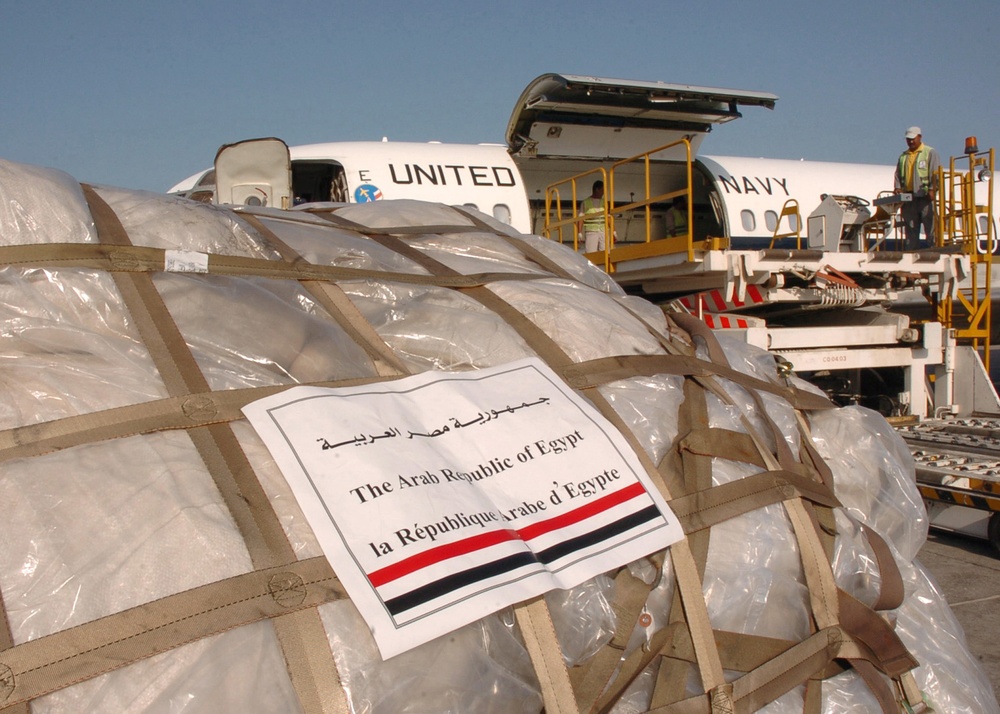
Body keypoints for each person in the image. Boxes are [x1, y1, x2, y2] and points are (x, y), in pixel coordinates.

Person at [894, 126, 941, 250]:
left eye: (912, 139)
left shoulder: (929, 152)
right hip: (909, 198)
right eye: (908, 139)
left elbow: (935, 172)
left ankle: (934, 250)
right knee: (910, 228)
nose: (910, 141)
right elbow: (898, 175)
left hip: (924, 196)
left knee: (929, 225)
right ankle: (911, 256)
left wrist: (932, 189)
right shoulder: (903, 156)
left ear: (919, 137)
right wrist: (898, 188)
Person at [577, 180, 606, 253]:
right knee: (591, 253)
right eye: (602, 190)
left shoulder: (604, 202)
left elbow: (608, 217)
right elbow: (581, 218)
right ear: (597, 189)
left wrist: (613, 231)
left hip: (603, 231)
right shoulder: (585, 203)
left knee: (605, 253)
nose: (603, 193)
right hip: (591, 231)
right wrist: (579, 232)